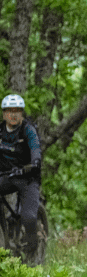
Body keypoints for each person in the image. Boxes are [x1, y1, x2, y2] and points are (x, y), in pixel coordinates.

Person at [0, 94, 43, 263]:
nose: (13, 114)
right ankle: (4, 237)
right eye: (9, 111)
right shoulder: (0, 131)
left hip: (27, 178)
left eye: (17, 111)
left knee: (29, 217)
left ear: (22, 113)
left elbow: (35, 148)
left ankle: (33, 248)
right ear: (4, 113)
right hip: (6, 176)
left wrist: (35, 162)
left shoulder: (28, 130)